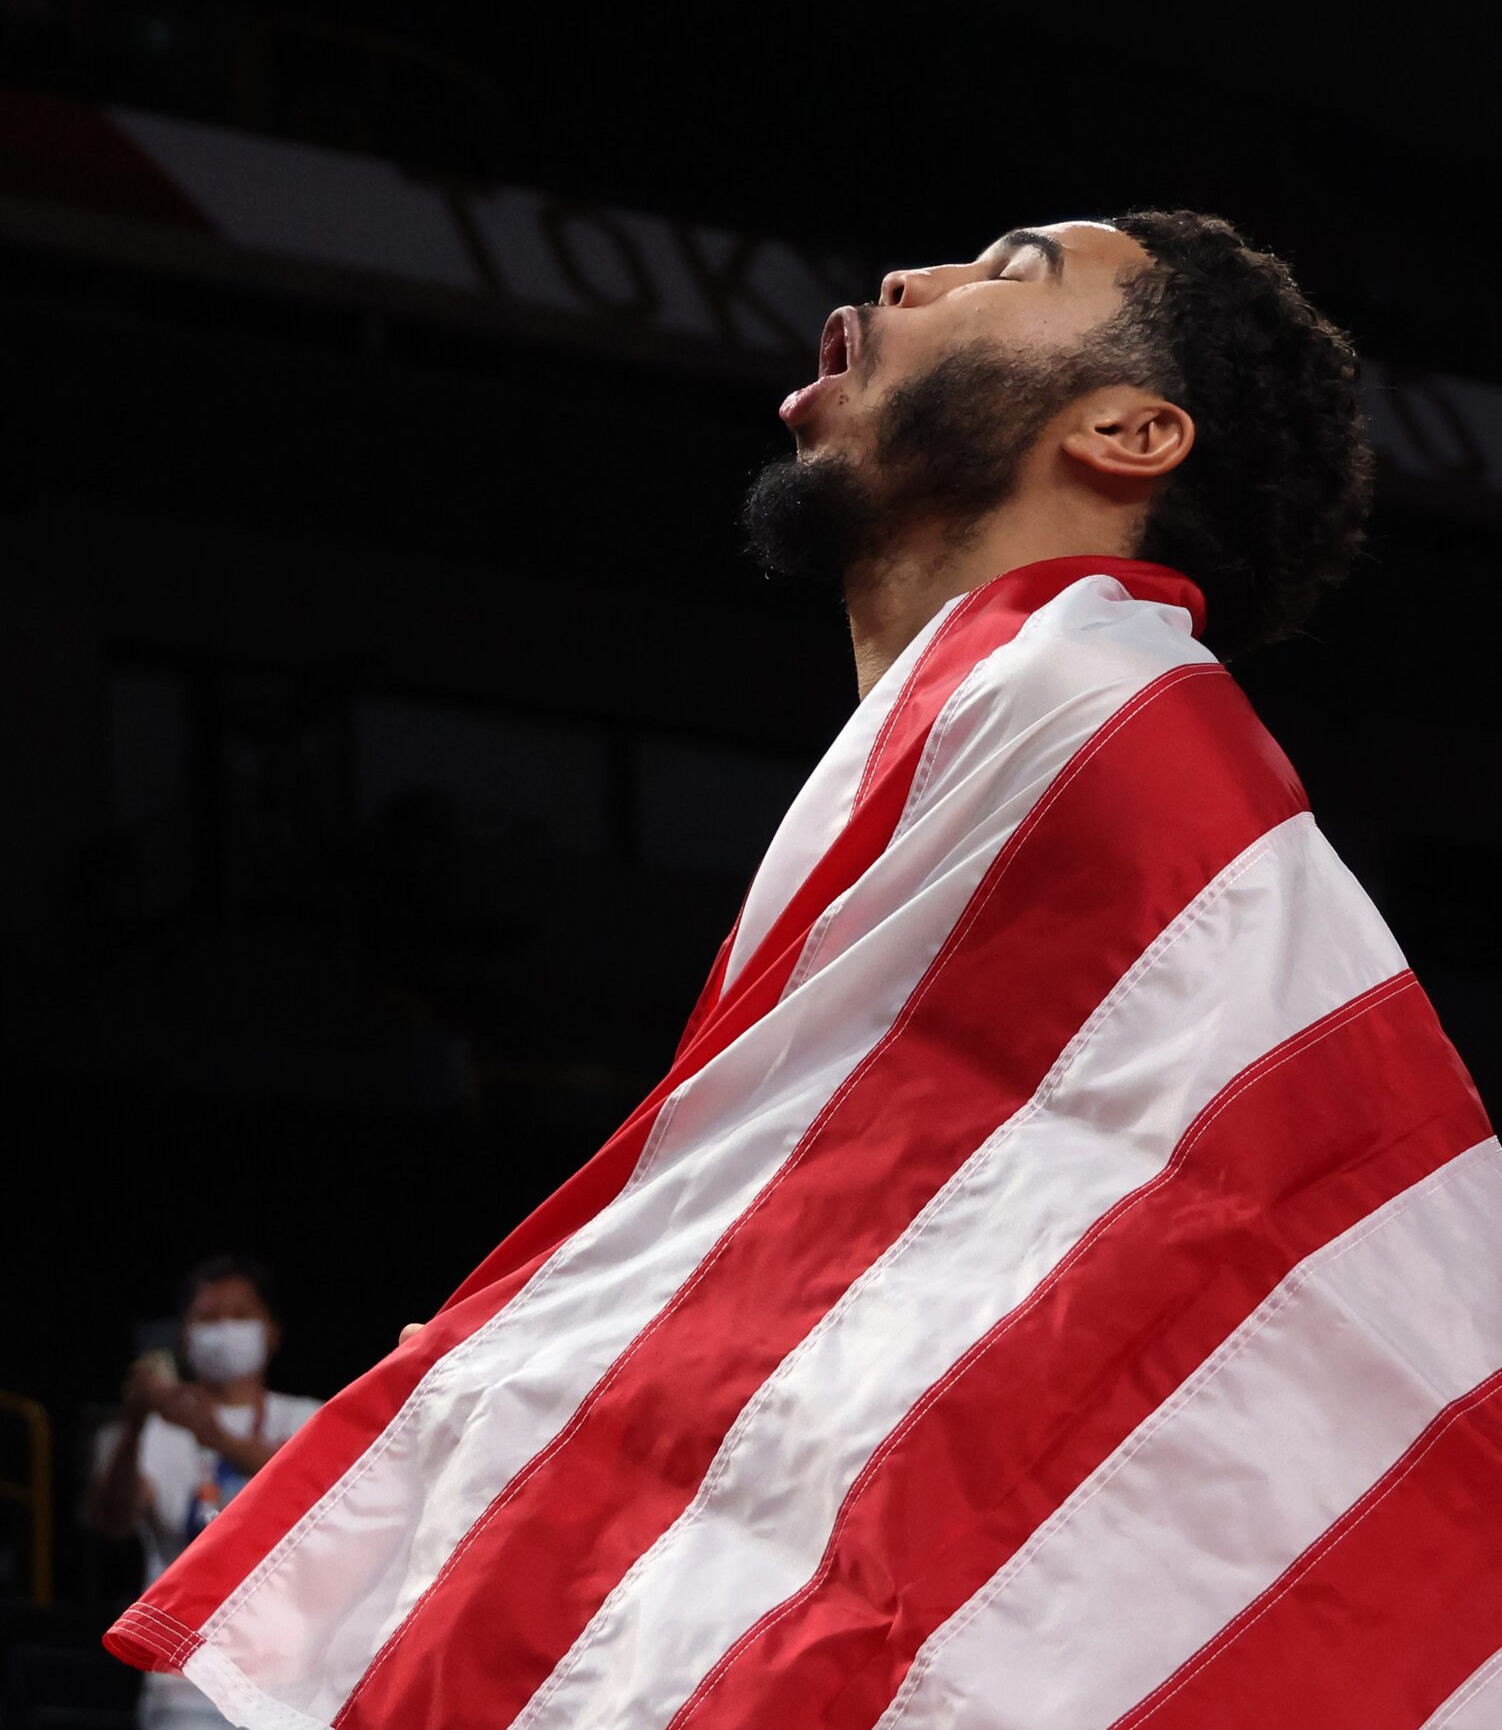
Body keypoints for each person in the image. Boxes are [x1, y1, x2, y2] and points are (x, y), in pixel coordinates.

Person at [106, 213, 1502, 1729]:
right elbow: (950, 1270)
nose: (907, 281)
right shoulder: (971, 735)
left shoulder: (1105, 707)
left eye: (1009, 271)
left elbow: (1291, 1273)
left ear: (1128, 429)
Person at [90, 1256, 321, 1729]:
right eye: (208, 1317)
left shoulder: (310, 1418)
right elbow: (111, 1521)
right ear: (185, 1335)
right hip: (184, 1682)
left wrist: (214, 1436)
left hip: (288, 1681)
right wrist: (132, 1427)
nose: (224, 1330)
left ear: (272, 1332)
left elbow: (310, 1498)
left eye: (240, 1316)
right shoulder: (154, 1433)